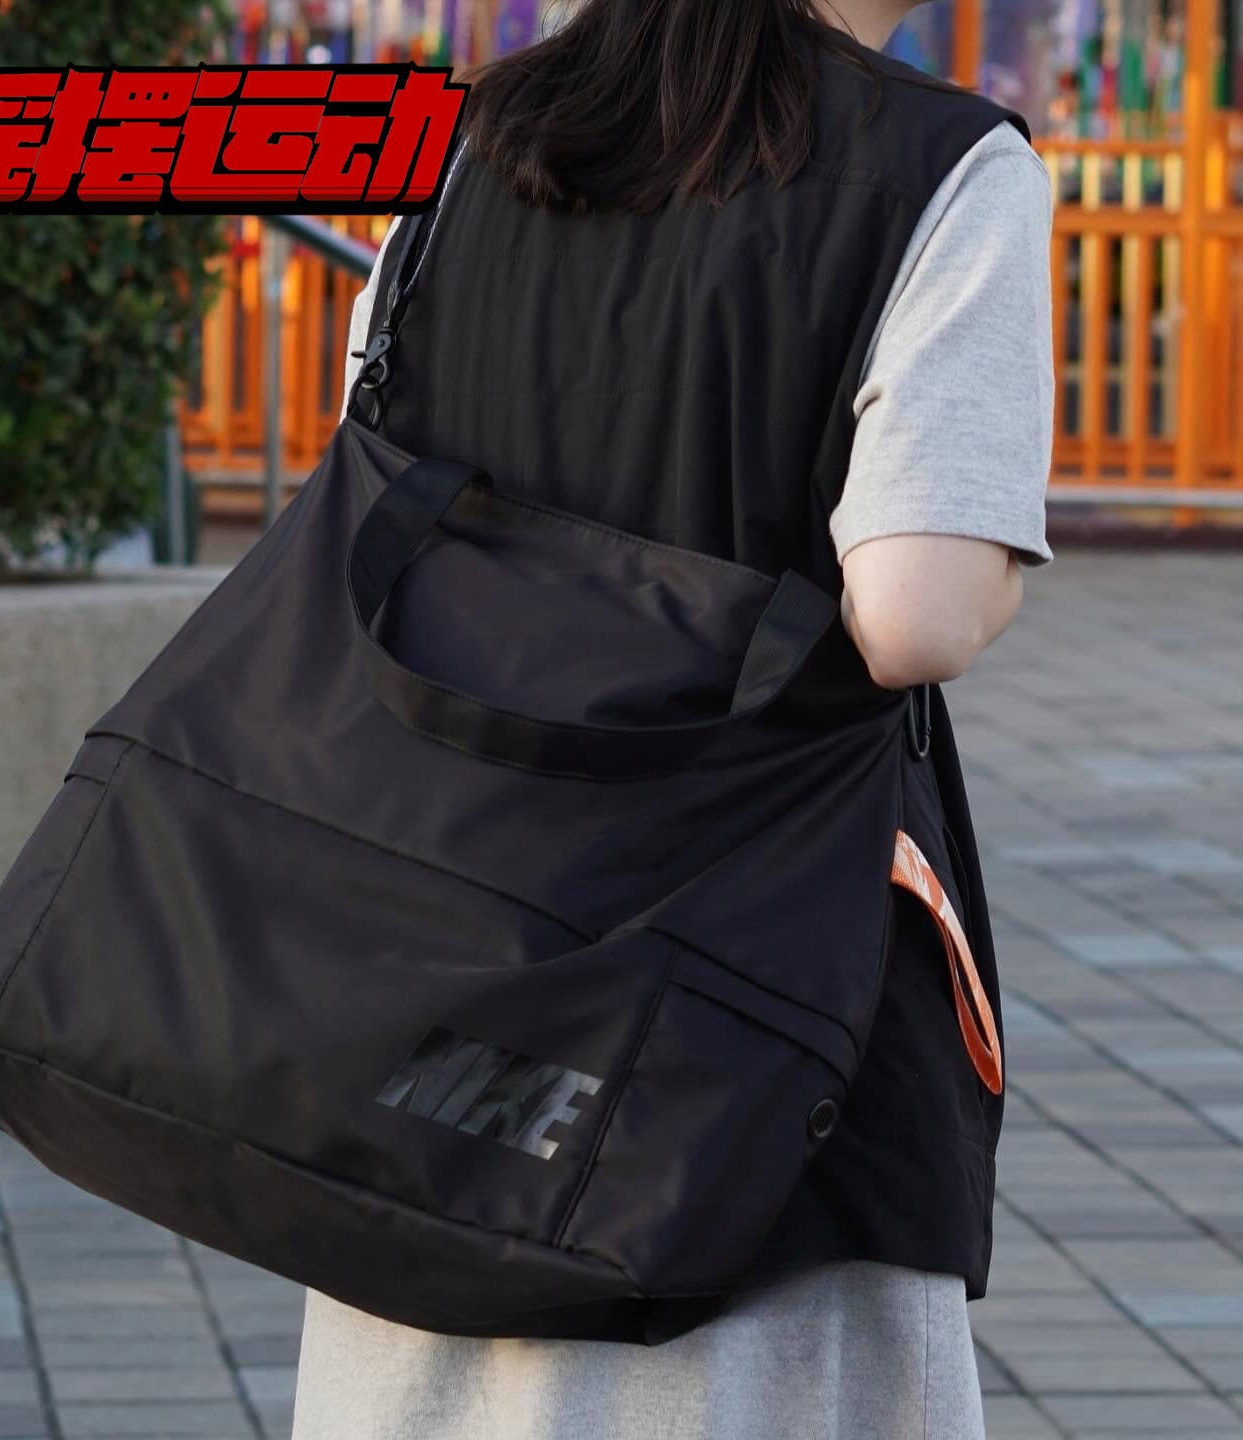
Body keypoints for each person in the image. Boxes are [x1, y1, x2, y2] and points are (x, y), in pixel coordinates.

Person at [291, 0, 1055, 1431]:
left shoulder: (466, 141)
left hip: (447, 918)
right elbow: (918, 614)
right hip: (757, 966)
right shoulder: (945, 165)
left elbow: (375, 492)